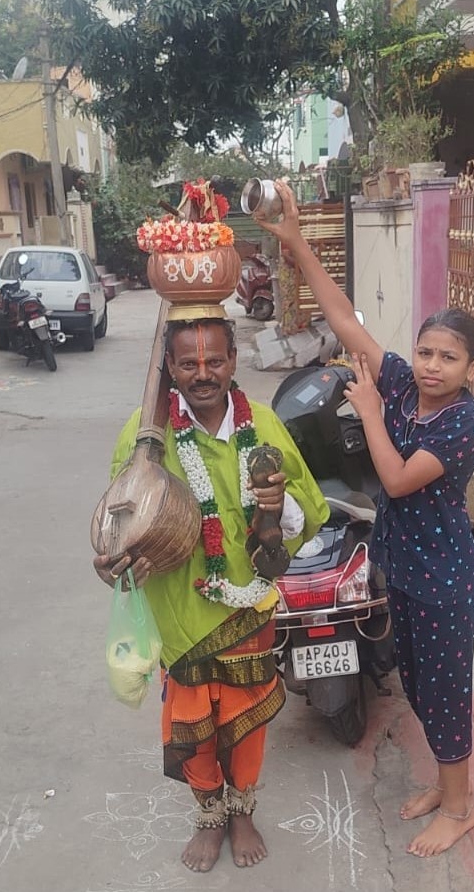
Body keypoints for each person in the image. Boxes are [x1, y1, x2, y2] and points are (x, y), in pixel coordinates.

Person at [256, 181, 474, 858]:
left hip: (443, 578)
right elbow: (345, 320)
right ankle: (446, 788)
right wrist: (296, 242)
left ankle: (462, 806)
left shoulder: (463, 421)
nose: (432, 367)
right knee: (413, 680)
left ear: (471, 367)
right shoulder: (402, 383)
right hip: (403, 567)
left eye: (448, 358)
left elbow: (393, 477)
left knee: (444, 691)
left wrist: (370, 416)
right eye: (425, 353)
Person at [93, 317, 329, 873]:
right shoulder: (144, 434)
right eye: (189, 364)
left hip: (249, 606)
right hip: (179, 606)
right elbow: (117, 516)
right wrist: (113, 559)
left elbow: (309, 512)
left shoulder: (264, 424)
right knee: (192, 722)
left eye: (215, 361)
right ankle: (209, 816)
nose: (203, 374)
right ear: (170, 369)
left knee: (245, 719)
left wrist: (276, 504)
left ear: (233, 362)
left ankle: (243, 811)